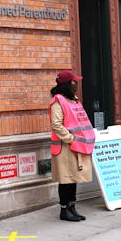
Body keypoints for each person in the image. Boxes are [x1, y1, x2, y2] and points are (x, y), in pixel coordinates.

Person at [49, 69, 96, 222]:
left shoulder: (73, 99)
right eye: (74, 82)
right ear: (67, 84)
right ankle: (64, 210)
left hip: (75, 146)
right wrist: (70, 138)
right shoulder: (58, 100)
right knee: (65, 179)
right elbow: (56, 124)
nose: (76, 84)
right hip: (64, 147)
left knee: (73, 178)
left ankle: (72, 207)